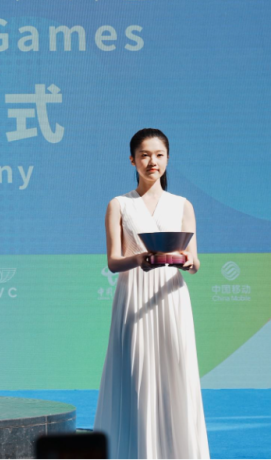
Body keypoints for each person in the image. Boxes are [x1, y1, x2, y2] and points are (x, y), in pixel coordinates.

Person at [94, 128, 209, 459]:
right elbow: (113, 262)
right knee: (135, 374)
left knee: (176, 373)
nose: (152, 162)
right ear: (132, 160)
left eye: (159, 155)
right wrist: (140, 259)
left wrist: (189, 262)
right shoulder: (119, 204)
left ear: (168, 159)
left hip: (171, 296)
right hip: (133, 295)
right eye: (144, 155)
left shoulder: (182, 205)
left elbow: (194, 261)